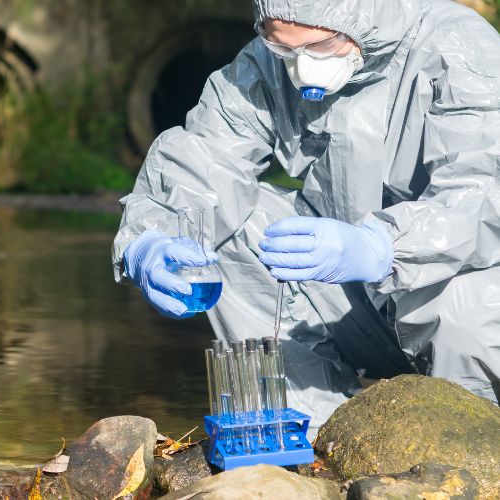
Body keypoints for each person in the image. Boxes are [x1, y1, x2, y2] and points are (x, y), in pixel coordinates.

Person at [113, 0, 500, 428]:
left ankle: (475, 446)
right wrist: (153, 237)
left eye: (319, 47)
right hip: (359, 304)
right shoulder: (264, 64)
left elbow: (482, 191)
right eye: (285, 51)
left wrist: (385, 246)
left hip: (453, 304)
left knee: (468, 303)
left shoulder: (459, 47)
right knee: (236, 228)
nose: (302, 71)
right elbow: (206, 157)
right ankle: (317, 436)